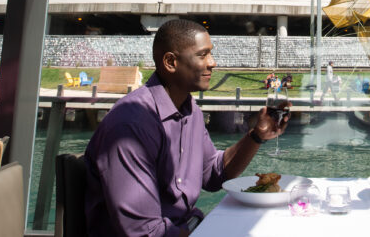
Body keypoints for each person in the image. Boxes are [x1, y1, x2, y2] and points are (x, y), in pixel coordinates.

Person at [85, 18, 289, 236]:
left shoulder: (190, 111)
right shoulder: (131, 125)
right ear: (170, 62)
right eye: (203, 55)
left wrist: (257, 136)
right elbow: (144, 232)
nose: (213, 63)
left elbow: (214, 174)